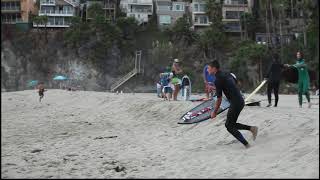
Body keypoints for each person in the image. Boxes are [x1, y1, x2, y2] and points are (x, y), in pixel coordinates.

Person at [207, 60, 258, 149]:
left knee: (229, 126)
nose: (207, 70)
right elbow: (232, 83)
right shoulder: (226, 74)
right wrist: (215, 88)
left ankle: (247, 145)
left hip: (235, 103)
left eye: (209, 68)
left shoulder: (218, 79)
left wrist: (214, 112)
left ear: (214, 69)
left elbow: (219, 99)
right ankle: (252, 129)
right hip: (240, 100)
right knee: (232, 124)